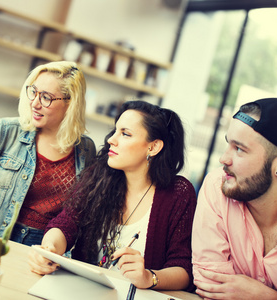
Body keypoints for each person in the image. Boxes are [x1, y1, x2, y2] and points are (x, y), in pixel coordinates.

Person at [29, 100, 197, 291]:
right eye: (115, 130)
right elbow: (65, 224)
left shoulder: (179, 193)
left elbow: (183, 269)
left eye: (125, 134)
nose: (111, 139)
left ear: (153, 147)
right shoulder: (100, 174)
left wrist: (149, 277)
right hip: (82, 291)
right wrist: (49, 250)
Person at [0, 61, 96, 246]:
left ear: (70, 102)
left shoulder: (85, 150)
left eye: (46, 97)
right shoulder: (7, 131)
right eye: (33, 92)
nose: (35, 103)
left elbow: (78, 212)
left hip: (44, 249)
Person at [192, 98, 277, 299]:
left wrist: (263, 297)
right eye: (228, 144)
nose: (223, 159)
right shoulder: (217, 186)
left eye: (239, 149)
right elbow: (211, 287)